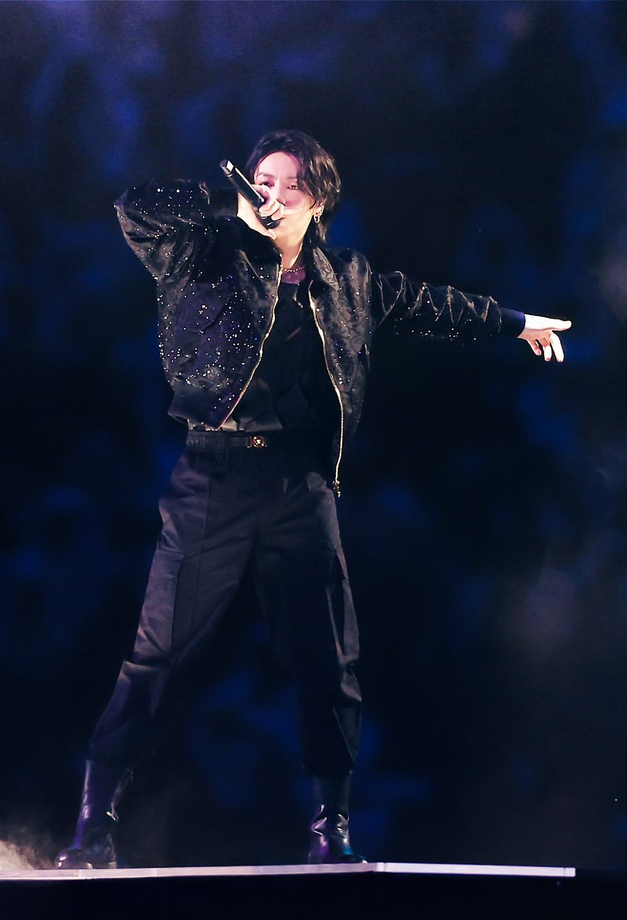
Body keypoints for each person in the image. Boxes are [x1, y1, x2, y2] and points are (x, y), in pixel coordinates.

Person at [55, 129, 571, 870]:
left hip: (299, 486)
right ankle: (93, 824)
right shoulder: (204, 250)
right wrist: (226, 203)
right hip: (213, 477)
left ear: (319, 200)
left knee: (328, 660)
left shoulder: (346, 279)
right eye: (262, 180)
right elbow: (134, 206)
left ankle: (332, 827)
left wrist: (517, 324)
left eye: (288, 184)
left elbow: (430, 304)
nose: (272, 194)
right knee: (158, 654)